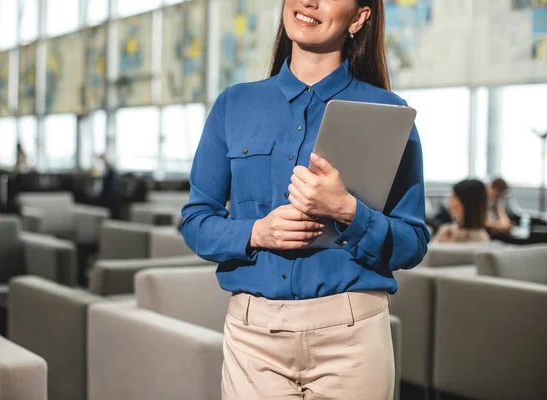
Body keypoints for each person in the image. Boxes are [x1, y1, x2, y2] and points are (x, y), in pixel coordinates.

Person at [181, 0, 429, 398]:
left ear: (359, 17)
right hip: (253, 338)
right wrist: (257, 233)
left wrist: (347, 210)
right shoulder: (234, 104)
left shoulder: (389, 113)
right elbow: (196, 222)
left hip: (352, 337)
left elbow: (412, 244)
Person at [431, 179, 491, 244]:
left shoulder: (448, 232)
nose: (450, 200)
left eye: (454, 196)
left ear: (466, 202)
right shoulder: (483, 238)